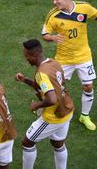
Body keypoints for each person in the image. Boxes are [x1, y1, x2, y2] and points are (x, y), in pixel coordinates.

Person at [41, 0, 97, 130]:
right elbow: (44, 34)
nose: (54, 2)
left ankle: (84, 116)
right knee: (55, 87)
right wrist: (53, 38)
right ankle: (44, 106)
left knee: (88, 86)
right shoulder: (53, 15)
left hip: (83, 56)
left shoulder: (83, 7)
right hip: (63, 59)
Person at [16, 39, 74, 169]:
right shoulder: (53, 63)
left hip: (54, 117)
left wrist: (37, 105)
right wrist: (25, 80)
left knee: (27, 142)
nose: (26, 59)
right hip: (67, 109)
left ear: (34, 55)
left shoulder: (42, 74)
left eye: (26, 55)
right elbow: (49, 88)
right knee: (58, 144)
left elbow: (52, 99)